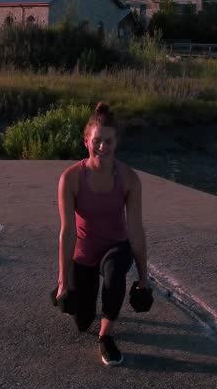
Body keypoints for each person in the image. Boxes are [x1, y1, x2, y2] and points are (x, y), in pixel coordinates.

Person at [54, 103, 148, 366]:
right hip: (84, 251)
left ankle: (106, 336)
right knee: (82, 320)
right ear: (87, 141)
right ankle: (68, 291)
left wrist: (144, 278)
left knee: (114, 275)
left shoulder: (129, 179)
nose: (102, 147)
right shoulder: (71, 178)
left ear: (116, 142)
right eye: (97, 141)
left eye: (108, 142)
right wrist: (64, 280)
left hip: (115, 246)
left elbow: (136, 231)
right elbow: (67, 232)